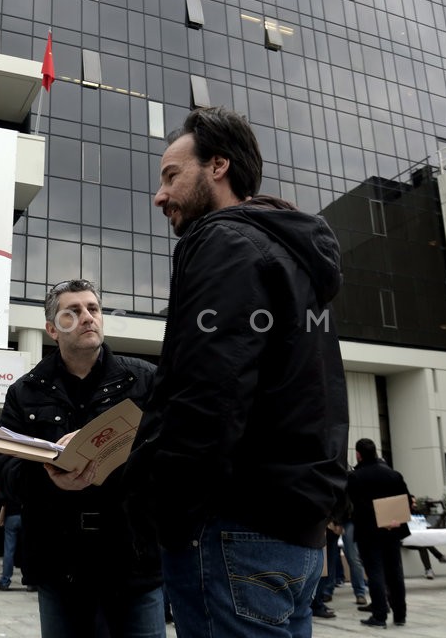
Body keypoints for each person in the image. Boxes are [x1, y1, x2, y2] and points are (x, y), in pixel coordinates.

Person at [123, 106, 349, 638]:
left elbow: (209, 392)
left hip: (232, 529)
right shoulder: (289, 255)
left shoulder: (223, 242)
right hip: (292, 532)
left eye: (171, 176)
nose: (160, 196)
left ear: (218, 166)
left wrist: (169, 512)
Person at [0, 279, 164, 638]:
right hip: (60, 562)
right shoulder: (24, 391)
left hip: (132, 558)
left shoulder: (144, 380)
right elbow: (7, 471)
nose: (88, 317)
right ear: (52, 329)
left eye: (93, 309)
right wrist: (50, 473)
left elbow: (168, 455)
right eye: (73, 312)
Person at [347, 438, 411, 628]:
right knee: (395, 572)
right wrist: (392, 520)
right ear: (376, 452)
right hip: (393, 528)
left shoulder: (355, 477)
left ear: (358, 454)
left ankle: (379, 615)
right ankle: (400, 614)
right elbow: (406, 500)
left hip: (369, 531)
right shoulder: (393, 474)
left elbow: (358, 505)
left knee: (375, 572)